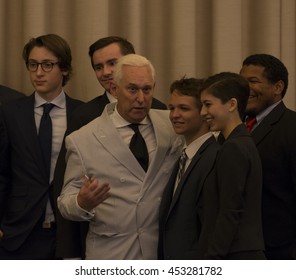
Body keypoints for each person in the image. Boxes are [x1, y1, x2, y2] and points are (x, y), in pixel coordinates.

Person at [57, 54, 183, 259]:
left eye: (147, 89)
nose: (141, 99)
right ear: (114, 89)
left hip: (160, 252)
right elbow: (65, 202)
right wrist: (82, 202)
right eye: (132, 89)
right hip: (111, 255)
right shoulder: (83, 139)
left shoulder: (171, 125)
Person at [0, 34, 83, 259]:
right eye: (33, 65)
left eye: (47, 65)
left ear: (64, 68)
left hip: (69, 231)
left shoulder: (83, 114)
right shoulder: (10, 113)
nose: (38, 72)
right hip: (19, 230)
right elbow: (2, 173)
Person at [198, 72, 265, 259]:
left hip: (236, 254)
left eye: (208, 104)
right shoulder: (239, 142)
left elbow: (230, 211)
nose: (203, 112)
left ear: (232, 104)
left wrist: (212, 260)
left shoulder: (234, 147)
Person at [240, 54, 296, 260]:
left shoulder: (292, 127)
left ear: (278, 87)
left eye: (253, 81)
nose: (245, 88)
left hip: (278, 253)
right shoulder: (233, 127)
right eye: (242, 81)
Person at [158, 77, 220, 259]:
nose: (174, 115)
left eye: (183, 108)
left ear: (204, 112)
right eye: (172, 108)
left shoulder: (215, 157)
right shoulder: (182, 155)